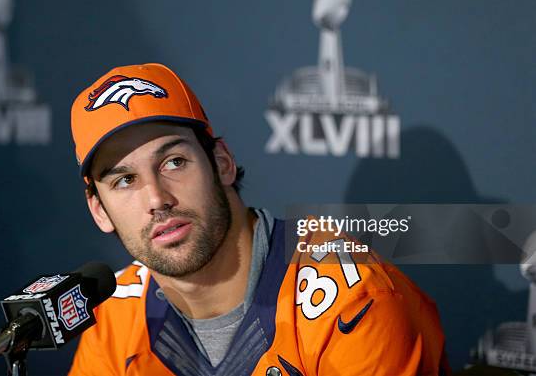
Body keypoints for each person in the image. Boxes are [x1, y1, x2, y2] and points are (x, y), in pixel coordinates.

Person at [68, 63, 450, 376]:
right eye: (124, 180)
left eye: (174, 162)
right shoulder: (114, 314)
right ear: (100, 210)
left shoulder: (353, 301)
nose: (156, 198)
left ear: (222, 163)